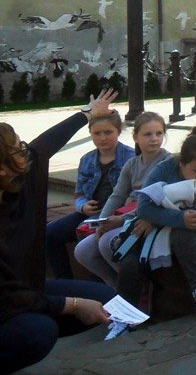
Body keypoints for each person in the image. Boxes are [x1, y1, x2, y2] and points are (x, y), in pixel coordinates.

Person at [1, 91, 117, 374]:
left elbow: (44, 145)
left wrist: (88, 113)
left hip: (22, 292)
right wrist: (72, 304)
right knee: (38, 332)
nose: (24, 153)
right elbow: (5, 297)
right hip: (4, 301)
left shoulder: (17, 182)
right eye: (16, 150)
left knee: (104, 297)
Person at [116, 126, 196, 324]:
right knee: (130, 261)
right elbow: (144, 206)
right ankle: (123, 317)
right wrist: (177, 217)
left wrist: (163, 216)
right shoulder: (164, 168)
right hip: (158, 231)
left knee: (183, 233)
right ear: (181, 163)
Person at [73, 112, 172, 286]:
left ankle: (137, 285)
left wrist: (121, 220)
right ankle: (116, 286)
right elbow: (117, 195)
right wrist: (103, 221)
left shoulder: (167, 162)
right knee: (83, 251)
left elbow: (160, 200)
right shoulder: (132, 164)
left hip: (151, 219)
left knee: (106, 243)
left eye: (159, 133)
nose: (154, 139)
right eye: (147, 134)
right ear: (135, 137)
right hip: (129, 217)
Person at [44, 108, 134, 279]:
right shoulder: (87, 159)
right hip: (90, 212)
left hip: (115, 214)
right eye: (97, 133)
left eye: (108, 132)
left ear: (118, 131)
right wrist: (83, 206)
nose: (102, 138)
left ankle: (99, 286)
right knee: (50, 233)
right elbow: (79, 194)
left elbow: (134, 193)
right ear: (90, 133)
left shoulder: (131, 158)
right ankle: (66, 282)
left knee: (87, 235)